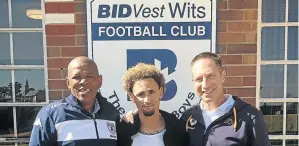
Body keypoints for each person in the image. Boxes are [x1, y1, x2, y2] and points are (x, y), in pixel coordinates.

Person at [181, 52, 271, 146]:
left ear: (223, 75)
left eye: (210, 76)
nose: (205, 85)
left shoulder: (250, 117)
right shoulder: (187, 118)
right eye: (199, 79)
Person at [29, 56, 121, 146]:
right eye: (77, 77)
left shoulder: (111, 113)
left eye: (89, 76)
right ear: (68, 83)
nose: (83, 82)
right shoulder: (51, 114)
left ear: (99, 81)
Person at [117, 63, 188, 146]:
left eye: (151, 92)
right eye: (141, 94)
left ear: (161, 92)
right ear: (132, 97)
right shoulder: (122, 131)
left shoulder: (178, 129)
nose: (147, 100)